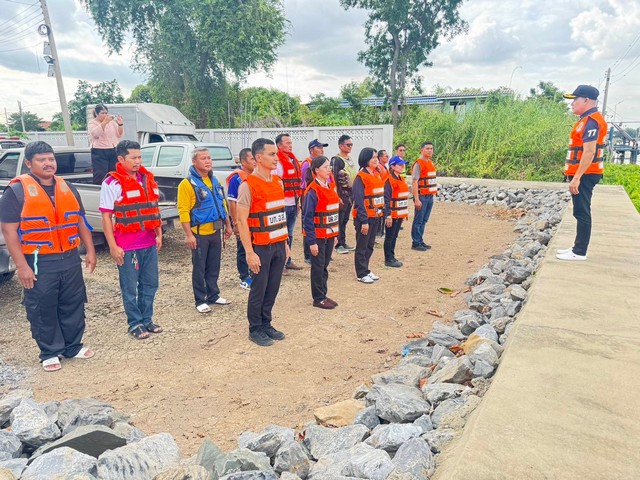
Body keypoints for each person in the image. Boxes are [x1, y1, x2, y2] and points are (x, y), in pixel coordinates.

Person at [0, 141, 96, 372]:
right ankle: (50, 351)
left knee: (73, 301)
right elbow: (9, 231)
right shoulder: (16, 191)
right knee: (43, 306)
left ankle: (72, 346)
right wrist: (22, 266)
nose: (48, 163)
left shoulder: (68, 187)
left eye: (51, 159)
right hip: (38, 259)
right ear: (29, 163)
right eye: (42, 160)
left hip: (69, 256)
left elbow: (80, 221)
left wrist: (90, 250)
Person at [100, 140, 163, 340]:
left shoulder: (146, 178)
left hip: (149, 241)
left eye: (139, 157)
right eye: (133, 158)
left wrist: (159, 233)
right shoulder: (112, 183)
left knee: (150, 284)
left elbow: (153, 207)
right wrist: (113, 246)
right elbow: (106, 217)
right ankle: (134, 323)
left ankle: (147, 319)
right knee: (130, 288)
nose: (138, 161)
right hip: (126, 246)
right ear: (121, 159)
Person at [236, 138, 290, 347]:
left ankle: (266, 323)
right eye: (271, 154)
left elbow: (280, 215)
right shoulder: (247, 186)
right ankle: (255, 328)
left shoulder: (278, 182)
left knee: (273, 287)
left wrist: (285, 244)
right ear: (259, 158)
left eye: (276, 154)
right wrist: (249, 253)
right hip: (260, 247)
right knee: (259, 288)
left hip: (278, 244)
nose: (276, 158)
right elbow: (241, 221)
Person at [178, 147, 233, 313]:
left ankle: (213, 295)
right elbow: (183, 211)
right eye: (203, 158)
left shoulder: (214, 180)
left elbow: (222, 204)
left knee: (214, 265)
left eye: (209, 158)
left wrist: (228, 224)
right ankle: (200, 300)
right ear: (194, 162)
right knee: (199, 267)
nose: (208, 161)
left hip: (215, 231)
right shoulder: (187, 184)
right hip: (199, 233)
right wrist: (189, 235)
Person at [556, 85, 607, 261]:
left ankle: (579, 252)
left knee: (582, 211)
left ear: (586, 100)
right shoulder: (586, 120)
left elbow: (589, 151)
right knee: (580, 211)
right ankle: (577, 247)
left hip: (585, 174)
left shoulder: (591, 121)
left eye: (575, 100)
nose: (572, 104)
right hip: (584, 173)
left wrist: (577, 177)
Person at [302, 156, 340, 309]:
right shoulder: (312, 191)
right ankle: (318, 298)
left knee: (324, 265)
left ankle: (323, 294)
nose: (329, 169)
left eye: (329, 166)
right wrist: (311, 242)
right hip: (318, 236)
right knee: (318, 267)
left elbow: (333, 212)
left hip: (329, 234)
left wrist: (335, 234)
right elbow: (307, 218)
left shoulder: (330, 187)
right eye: (325, 167)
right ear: (316, 170)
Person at [352, 147, 384, 284]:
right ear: (366, 159)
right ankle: (361, 273)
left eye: (376, 157)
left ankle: (366, 269)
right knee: (362, 246)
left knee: (370, 245)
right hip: (364, 217)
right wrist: (364, 221)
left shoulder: (376, 173)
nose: (376, 160)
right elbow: (359, 201)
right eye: (373, 157)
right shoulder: (360, 177)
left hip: (376, 215)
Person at [227, 148, 256, 289]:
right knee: (243, 248)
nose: (255, 162)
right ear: (243, 161)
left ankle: (254, 273)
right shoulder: (236, 179)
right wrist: (236, 223)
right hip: (242, 221)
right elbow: (232, 202)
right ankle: (244, 277)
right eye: (252, 159)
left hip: (254, 220)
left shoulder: (256, 177)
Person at [274, 133, 303, 272]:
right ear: (279, 145)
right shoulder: (276, 162)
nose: (290, 145)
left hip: (293, 203)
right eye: (287, 143)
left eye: (291, 143)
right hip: (282, 204)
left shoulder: (292, 160)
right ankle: (280, 264)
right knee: (280, 234)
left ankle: (287, 260)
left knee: (290, 234)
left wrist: (297, 203)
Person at [301, 139, 329, 264]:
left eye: (322, 147)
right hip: (311, 196)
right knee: (309, 223)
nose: (322, 150)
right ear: (311, 150)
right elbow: (304, 183)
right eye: (319, 147)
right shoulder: (307, 164)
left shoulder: (324, 164)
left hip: (322, 197)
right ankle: (308, 254)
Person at [331, 135, 357, 254]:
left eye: (351, 145)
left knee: (345, 219)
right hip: (341, 194)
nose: (350, 147)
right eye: (348, 145)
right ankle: (337, 244)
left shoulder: (349, 159)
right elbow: (333, 179)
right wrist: (337, 196)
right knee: (339, 219)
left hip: (350, 194)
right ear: (341, 146)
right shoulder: (336, 160)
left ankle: (343, 241)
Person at [411, 141, 438, 251]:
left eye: (431, 148)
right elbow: (414, 182)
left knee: (424, 220)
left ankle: (420, 240)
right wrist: (416, 199)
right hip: (422, 196)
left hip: (429, 196)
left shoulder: (430, 163)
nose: (430, 150)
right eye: (427, 148)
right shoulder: (418, 164)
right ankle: (416, 242)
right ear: (422, 150)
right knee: (418, 220)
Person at [383, 156, 410, 267]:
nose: (402, 167)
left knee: (394, 236)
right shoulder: (388, 181)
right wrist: (388, 215)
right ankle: (388, 259)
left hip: (399, 213)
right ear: (392, 166)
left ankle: (392, 256)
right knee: (390, 236)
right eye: (399, 165)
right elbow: (386, 199)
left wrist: (403, 213)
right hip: (392, 214)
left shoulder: (401, 179)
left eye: (403, 164)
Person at [88, 104, 124, 185]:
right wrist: (104, 122)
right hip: (99, 150)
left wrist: (120, 124)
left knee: (114, 173)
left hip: (113, 149)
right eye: (102, 113)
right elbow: (96, 134)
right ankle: (99, 189)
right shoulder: (92, 123)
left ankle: (113, 188)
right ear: (96, 114)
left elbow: (119, 134)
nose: (105, 115)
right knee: (101, 174)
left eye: (106, 113)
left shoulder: (112, 123)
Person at [374, 149, 390, 237]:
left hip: (384, 192)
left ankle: (380, 231)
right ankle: (378, 232)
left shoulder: (384, 167)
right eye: (386, 156)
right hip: (380, 193)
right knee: (380, 212)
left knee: (383, 212)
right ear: (380, 158)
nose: (387, 157)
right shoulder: (379, 168)